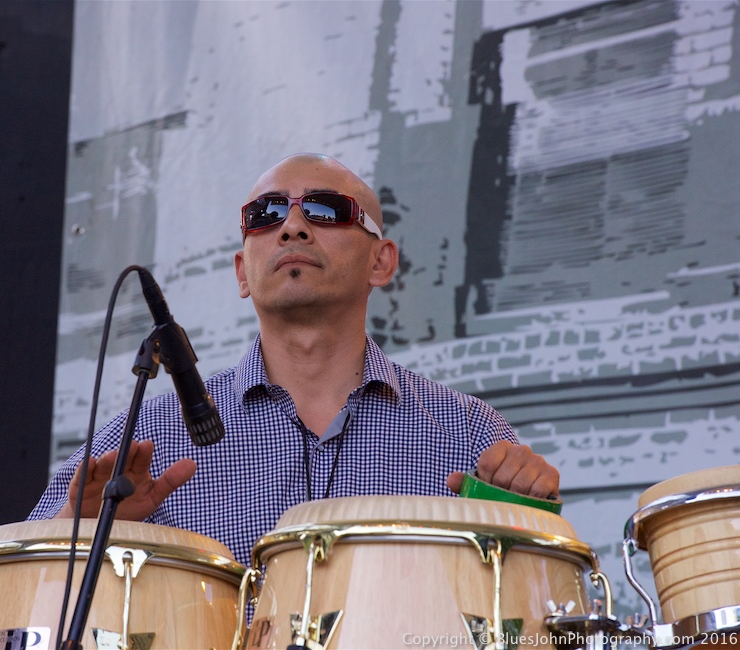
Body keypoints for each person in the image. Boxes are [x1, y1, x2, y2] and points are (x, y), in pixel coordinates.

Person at [29, 153, 559, 567]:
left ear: (381, 261)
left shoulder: (464, 432)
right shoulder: (147, 437)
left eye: (326, 209)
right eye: (266, 214)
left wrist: (525, 510)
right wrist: (77, 527)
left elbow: (525, 608)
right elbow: (16, 586)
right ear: (242, 271)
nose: (293, 227)